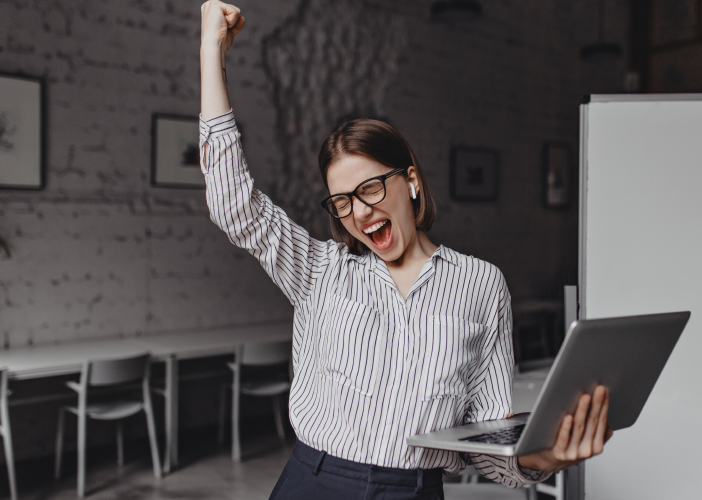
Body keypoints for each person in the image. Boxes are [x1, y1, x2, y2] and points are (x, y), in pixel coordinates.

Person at [198, 2, 612, 498]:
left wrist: (545, 455)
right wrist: (211, 50)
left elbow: (486, 443)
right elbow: (232, 205)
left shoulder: (481, 285)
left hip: (416, 490)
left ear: (410, 181)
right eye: (343, 201)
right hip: (316, 483)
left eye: (371, 189)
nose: (359, 211)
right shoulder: (320, 271)